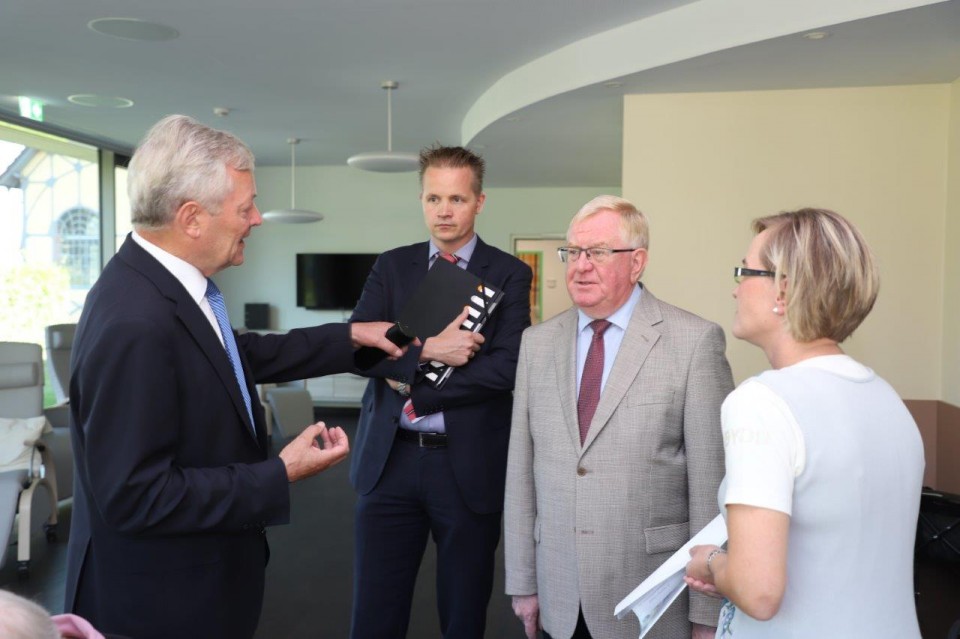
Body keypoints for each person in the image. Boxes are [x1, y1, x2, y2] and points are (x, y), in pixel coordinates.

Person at [64, 115, 405, 639]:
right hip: (161, 607)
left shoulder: (158, 284)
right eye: (245, 207)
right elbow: (135, 496)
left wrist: (351, 336)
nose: (258, 219)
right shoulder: (135, 321)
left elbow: (233, 356)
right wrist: (280, 472)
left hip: (191, 585)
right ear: (192, 218)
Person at [684, 208, 924, 637]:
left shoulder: (761, 402)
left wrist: (710, 561)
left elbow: (758, 592)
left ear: (784, 289)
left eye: (745, 271)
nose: (736, 290)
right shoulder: (888, 400)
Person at [505, 195, 733, 639]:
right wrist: (522, 582)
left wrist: (706, 611)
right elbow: (521, 472)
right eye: (572, 251)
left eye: (599, 252)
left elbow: (712, 488)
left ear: (637, 262)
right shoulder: (536, 344)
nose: (580, 265)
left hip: (651, 597)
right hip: (559, 591)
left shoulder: (694, 343)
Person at [347, 145, 532, 638]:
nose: (443, 211)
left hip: (465, 465)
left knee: (464, 614)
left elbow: (508, 367)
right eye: (433, 199)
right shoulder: (392, 267)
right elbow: (360, 352)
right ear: (422, 200)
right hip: (389, 462)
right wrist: (429, 351)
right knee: (374, 612)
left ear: (479, 202)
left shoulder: (510, 273)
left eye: (456, 198)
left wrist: (413, 385)